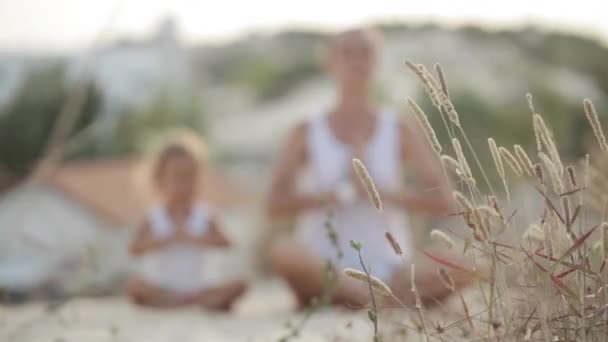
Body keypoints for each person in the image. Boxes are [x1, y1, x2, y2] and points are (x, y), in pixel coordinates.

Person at [266, 27, 472, 309]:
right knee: (284, 251)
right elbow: (273, 204)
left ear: (377, 61)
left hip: (390, 266)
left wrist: (378, 192)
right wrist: (336, 195)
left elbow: (444, 201)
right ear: (330, 62)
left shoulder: (399, 128)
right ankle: (376, 299)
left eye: (366, 53)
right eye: (347, 53)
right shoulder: (306, 130)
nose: (357, 62)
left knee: (470, 265)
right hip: (322, 264)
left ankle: (365, 297)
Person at [127, 131, 246, 310]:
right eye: (178, 176)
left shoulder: (204, 214)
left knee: (240, 284)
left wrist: (195, 238)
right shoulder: (153, 216)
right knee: (134, 286)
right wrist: (167, 239)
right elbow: (134, 248)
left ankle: (188, 301)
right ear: (159, 179)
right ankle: (179, 301)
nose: (185, 184)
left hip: (199, 287)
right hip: (163, 287)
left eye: (191, 176)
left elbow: (226, 243)